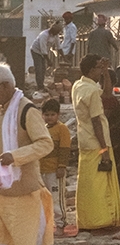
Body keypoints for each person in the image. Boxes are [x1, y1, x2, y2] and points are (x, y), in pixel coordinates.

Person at [0, 64, 56, 245]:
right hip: (3, 192)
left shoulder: (26, 109)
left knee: (28, 244)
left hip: (24, 193)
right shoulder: (3, 109)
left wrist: (15, 156)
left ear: (4, 86)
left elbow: (45, 143)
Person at [72, 54, 120, 229]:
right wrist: (104, 150)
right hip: (96, 143)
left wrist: (106, 73)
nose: (100, 72)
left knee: (87, 182)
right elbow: (96, 121)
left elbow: (107, 93)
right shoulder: (92, 91)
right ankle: (99, 219)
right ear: (91, 70)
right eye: (98, 69)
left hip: (84, 140)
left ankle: (87, 219)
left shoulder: (79, 85)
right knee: (99, 184)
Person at [99, 60, 120, 224]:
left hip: (115, 140)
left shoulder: (106, 99)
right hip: (113, 142)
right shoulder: (107, 100)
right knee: (119, 177)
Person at [40, 98, 70, 236]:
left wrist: (61, 166)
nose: (49, 117)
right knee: (44, 199)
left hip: (55, 170)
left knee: (57, 198)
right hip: (42, 170)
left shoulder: (62, 129)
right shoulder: (42, 129)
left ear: (58, 114)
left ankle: (60, 224)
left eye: (52, 114)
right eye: (46, 114)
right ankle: (47, 224)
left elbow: (64, 149)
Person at [30, 22, 62, 96]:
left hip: (43, 52)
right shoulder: (44, 35)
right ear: (53, 29)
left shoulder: (55, 36)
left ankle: (41, 84)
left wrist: (64, 57)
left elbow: (59, 47)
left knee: (43, 69)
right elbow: (43, 50)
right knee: (39, 68)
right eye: (57, 31)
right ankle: (40, 87)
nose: (57, 33)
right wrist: (49, 61)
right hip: (36, 51)